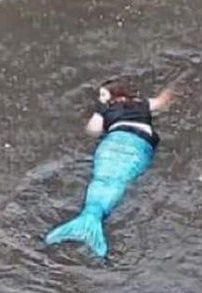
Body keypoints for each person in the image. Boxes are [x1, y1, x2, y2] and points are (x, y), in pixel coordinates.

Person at [44, 80, 175, 257]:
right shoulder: (141, 103)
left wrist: (101, 107)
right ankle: (92, 220)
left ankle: (89, 217)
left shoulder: (106, 109)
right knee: (119, 180)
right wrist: (174, 86)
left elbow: (92, 131)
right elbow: (163, 102)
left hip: (112, 143)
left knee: (102, 177)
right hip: (138, 147)